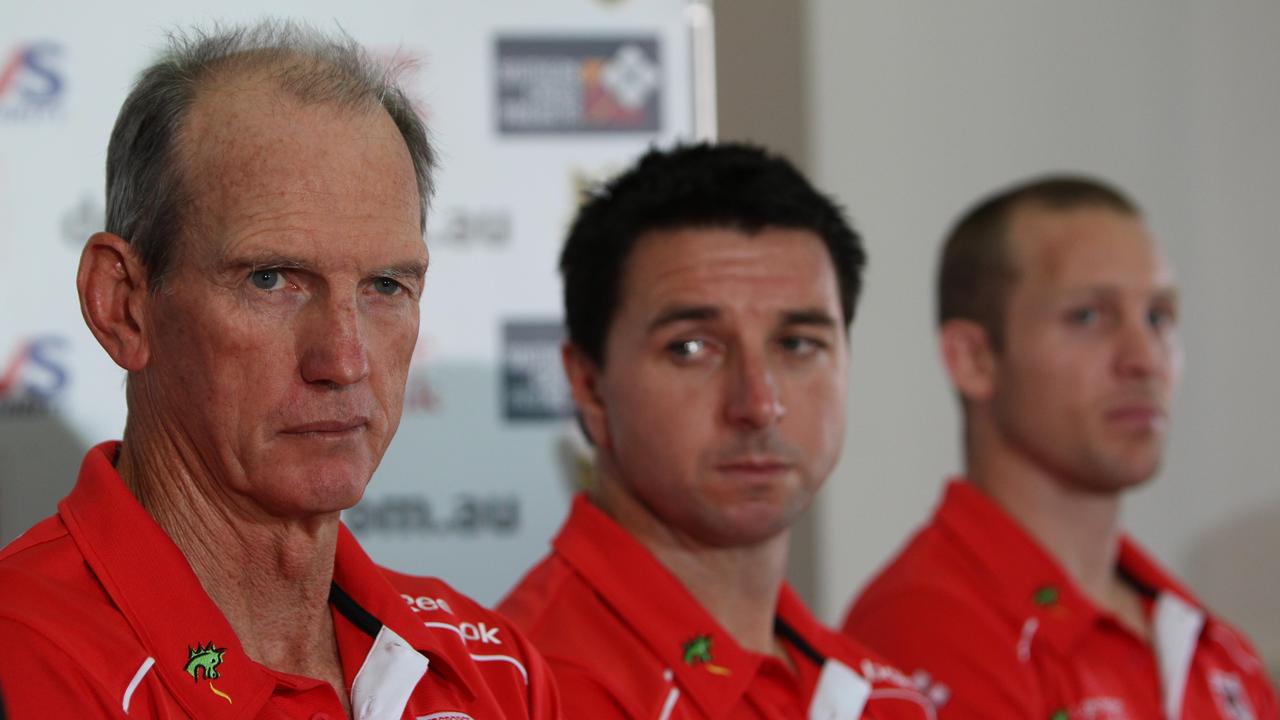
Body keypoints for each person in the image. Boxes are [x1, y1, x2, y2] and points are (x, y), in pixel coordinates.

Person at [0, 22, 559, 718]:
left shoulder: (497, 671)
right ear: (123, 306)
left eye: (385, 286)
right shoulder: (21, 658)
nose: (345, 361)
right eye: (271, 279)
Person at [498, 143, 931, 719]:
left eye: (798, 344)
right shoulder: (524, 692)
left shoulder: (884, 699)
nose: (759, 403)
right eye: (692, 348)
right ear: (589, 385)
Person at [842, 176, 1279, 718]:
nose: (1144, 358)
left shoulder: (1218, 651)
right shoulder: (926, 624)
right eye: (1088, 316)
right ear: (973, 359)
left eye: (1159, 316)